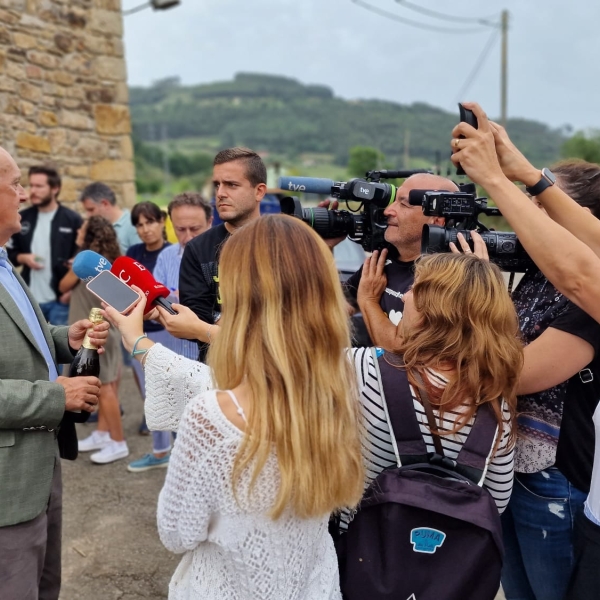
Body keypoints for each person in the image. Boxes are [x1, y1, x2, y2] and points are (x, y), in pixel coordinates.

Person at [105, 214, 364, 599]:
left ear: (243, 296)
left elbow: (176, 532)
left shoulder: (211, 416)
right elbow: (262, 379)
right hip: (314, 586)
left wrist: (139, 342)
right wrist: (145, 347)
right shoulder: (345, 382)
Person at [449, 104, 600, 600]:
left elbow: (581, 274)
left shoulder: (576, 294)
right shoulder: (540, 281)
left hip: (557, 479)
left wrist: (496, 180)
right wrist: (523, 174)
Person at [0, 147, 108, 599]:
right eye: (15, 184)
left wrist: (68, 337)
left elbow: (28, 334)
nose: (24, 193)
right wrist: (54, 397)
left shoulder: (5, 260)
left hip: (39, 472)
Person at [126, 193, 212, 473]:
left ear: (210, 222)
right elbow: (159, 298)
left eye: (195, 229)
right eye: (180, 229)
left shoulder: (227, 254)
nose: (187, 237)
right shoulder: (165, 255)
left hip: (212, 357)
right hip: (173, 350)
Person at [342, 173, 455, 348]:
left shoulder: (448, 278)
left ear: (436, 220)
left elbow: (402, 351)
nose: (388, 211)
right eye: (394, 201)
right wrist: (323, 247)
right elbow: (333, 310)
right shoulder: (384, 259)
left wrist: (368, 300)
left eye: (404, 204)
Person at [179, 147, 267, 361]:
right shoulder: (198, 249)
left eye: (231, 185)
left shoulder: (281, 242)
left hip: (275, 375)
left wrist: (217, 322)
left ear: (259, 191)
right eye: (217, 185)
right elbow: (194, 316)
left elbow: (296, 312)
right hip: (216, 374)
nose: (220, 193)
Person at [58, 216, 128, 464]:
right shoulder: (107, 264)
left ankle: (118, 442)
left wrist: (70, 268)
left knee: (106, 388)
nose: (77, 230)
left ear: (89, 237)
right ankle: (101, 433)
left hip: (93, 333)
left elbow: (63, 285)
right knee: (109, 384)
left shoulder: (82, 263)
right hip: (106, 329)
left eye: (82, 228)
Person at [125, 202, 174, 471]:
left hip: (170, 334)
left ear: (162, 221)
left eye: (150, 222)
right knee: (151, 396)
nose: (145, 229)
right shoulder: (133, 253)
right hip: (140, 334)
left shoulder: (172, 253)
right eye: (139, 225)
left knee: (177, 392)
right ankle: (160, 451)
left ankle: (181, 449)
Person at [7, 165, 82, 325]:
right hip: (29, 299)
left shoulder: (72, 220)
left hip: (59, 301)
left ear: (55, 188)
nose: (32, 191)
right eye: (31, 185)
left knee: (62, 347)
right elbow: (9, 254)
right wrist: (24, 258)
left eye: (39, 186)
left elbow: (81, 258)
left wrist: (67, 295)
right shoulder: (22, 218)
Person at [79, 182, 141, 254]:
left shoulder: (132, 225)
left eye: (91, 210)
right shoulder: (94, 228)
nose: (88, 215)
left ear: (105, 204)